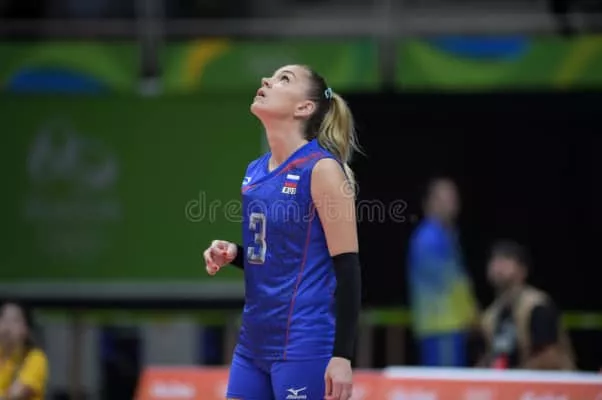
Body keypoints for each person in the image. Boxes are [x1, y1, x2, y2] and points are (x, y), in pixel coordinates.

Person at [203, 64, 362, 400]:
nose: (266, 80)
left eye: (283, 79)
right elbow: (279, 258)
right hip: (251, 345)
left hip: (304, 345)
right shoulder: (255, 171)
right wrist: (235, 253)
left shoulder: (322, 169)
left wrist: (343, 356)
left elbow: (347, 269)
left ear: (304, 107)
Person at [407, 177, 478, 367]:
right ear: (429, 203)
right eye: (445, 198)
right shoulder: (429, 237)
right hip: (442, 327)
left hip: (450, 326)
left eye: (454, 198)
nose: (452, 203)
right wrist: (472, 315)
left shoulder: (447, 234)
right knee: (445, 380)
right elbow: (450, 281)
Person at [479, 240, 575, 370]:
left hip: (546, 381)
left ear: (522, 271)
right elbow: (490, 357)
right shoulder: (490, 316)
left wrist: (516, 376)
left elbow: (550, 358)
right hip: (508, 381)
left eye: (506, 259)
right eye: (494, 260)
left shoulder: (537, 305)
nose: (498, 265)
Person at [0, 301, 48, 400]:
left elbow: (16, 394)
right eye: (3, 319)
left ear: (26, 329)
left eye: (14, 320)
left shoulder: (35, 358)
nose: (7, 326)